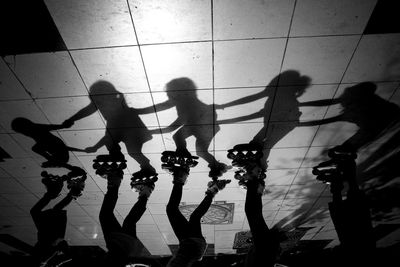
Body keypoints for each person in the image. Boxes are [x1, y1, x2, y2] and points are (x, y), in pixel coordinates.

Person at [312, 147, 376, 266]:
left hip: (356, 236)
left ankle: (338, 172)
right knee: (351, 194)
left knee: (350, 194)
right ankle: (345, 163)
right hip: (355, 237)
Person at [165, 154, 230, 267]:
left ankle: (211, 188)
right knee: (181, 213)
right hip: (194, 246)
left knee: (181, 213)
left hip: (188, 245)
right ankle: (182, 176)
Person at [98, 157, 161, 267]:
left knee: (122, 219)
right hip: (122, 246)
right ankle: (116, 181)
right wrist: (146, 263)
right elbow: (126, 262)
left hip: (117, 245)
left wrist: (146, 263)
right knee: (109, 216)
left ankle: (144, 190)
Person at [31, 172, 84, 267]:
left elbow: (66, 254)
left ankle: (53, 193)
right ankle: (70, 193)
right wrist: (51, 260)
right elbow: (65, 252)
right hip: (52, 234)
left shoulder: (45, 260)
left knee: (37, 211)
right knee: (54, 210)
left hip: (44, 233)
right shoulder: (48, 261)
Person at [11, 117, 82, 168]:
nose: (24, 133)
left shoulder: (35, 128)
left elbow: (50, 127)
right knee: (36, 148)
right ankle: (53, 160)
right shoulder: (32, 130)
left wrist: (63, 126)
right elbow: (51, 127)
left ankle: (53, 161)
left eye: (22, 131)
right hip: (56, 148)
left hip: (57, 146)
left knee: (35, 148)